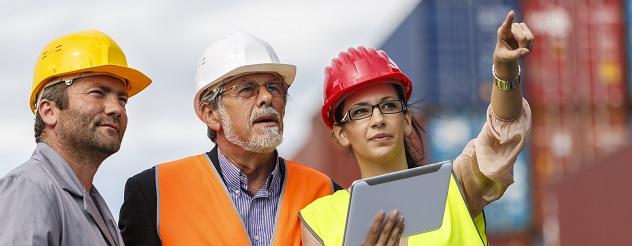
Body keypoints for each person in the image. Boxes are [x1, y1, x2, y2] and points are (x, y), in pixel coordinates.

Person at [299, 11, 533, 245]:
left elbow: (501, 136)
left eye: (389, 105)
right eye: (360, 111)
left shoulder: (454, 187)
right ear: (341, 134)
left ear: (407, 120)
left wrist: (505, 69)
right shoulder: (319, 221)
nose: (378, 119)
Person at [118, 32, 340, 246]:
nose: (267, 98)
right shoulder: (152, 193)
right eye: (247, 90)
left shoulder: (327, 192)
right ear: (211, 114)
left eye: (274, 87)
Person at [0, 30, 152, 245]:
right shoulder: (28, 190)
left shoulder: (92, 204)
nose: (116, 108)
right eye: (97, 93)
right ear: (49, 111)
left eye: (122, 99)